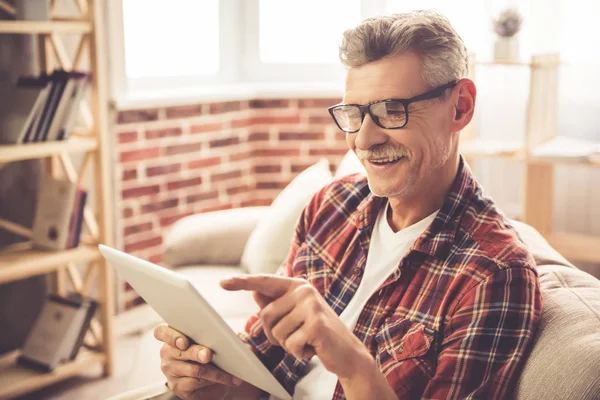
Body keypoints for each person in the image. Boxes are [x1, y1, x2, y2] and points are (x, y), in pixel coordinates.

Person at [154, 10, 542, 400]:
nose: (364, 139)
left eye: (393, 111)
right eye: (354, 114)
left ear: (460, 107)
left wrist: (353, 363)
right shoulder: (331, 205)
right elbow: (258, 374)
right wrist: (204, 379)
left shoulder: (495, 273)